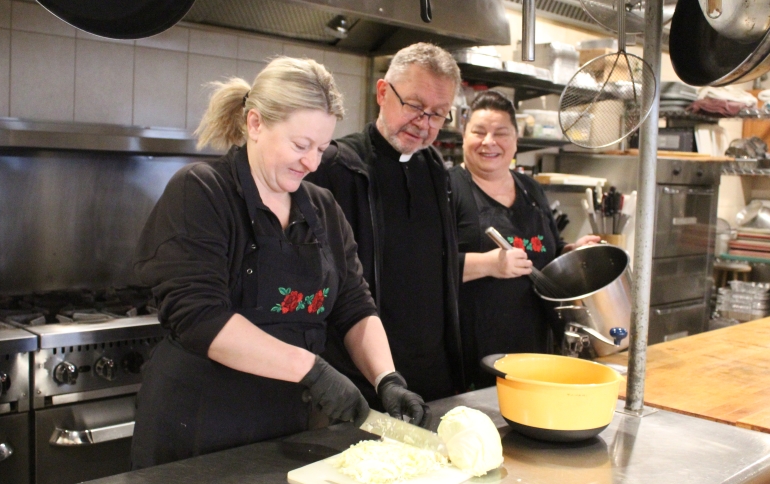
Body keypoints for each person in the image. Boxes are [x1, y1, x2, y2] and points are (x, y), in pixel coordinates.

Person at [130, 57, 428, 469]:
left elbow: (354, 305)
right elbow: (199, 317)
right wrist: (312, 370)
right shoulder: (201, 192)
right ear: (255, 124)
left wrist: (386, 378)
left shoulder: (321, 207)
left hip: (288, 428)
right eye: (300, 145)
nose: (312, 163)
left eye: (322, 148)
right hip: (200, 427)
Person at [305, 43, 464, 408]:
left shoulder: (437, 170)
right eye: (414, 106)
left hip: (432, 375)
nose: (423, 124)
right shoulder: (336, 166)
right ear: (382, 93)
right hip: (360, 378)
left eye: (438, 114)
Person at [451, 90, 599, 390]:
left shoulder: (531, 189)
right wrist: (488, 264)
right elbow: (421, 268)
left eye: (500, 133)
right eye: (478, 132)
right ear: (463, 137)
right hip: (471, 355)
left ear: (516, 141)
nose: (489, 142)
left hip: (534, 350)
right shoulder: (447, 189)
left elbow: (549, 251)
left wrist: (571, 252)